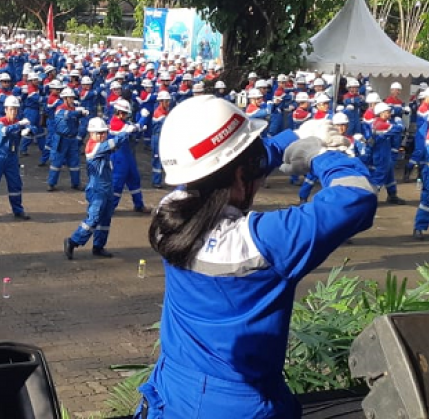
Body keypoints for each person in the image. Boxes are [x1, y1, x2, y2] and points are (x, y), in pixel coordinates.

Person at [137, 95, 377, 418]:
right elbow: (357, 195)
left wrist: (295, 137)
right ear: (239, 175)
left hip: (174, 388)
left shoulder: (170, 215)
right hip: (240, 404)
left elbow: (234, 163)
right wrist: (321, 154)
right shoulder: (265, 242)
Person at [64, 117, 134, 260]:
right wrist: (125, 132)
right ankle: (73, 241)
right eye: (99, 133)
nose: (102, 135)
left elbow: (114, 146)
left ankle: (99, 246)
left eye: (104, 133)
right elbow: (113, 143)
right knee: (94, 218)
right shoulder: (93, 147)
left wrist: (131, 131)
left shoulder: (100, 144)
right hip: (96, 189)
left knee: (105, 219)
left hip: (107, 187)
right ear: (91, 133)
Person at [47, 87, 86, 192]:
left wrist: (81, 113)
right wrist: (80, 112)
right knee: (57, 162)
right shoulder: (60, 109)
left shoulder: (73, 109)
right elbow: (68, 115)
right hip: (61, 139)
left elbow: (76, 118)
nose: (73, 100)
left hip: (72, 139)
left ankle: (76, 183)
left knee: (75, 162)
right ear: (65, 98)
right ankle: (51, 183)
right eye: (71, 98)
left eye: (73, 98)